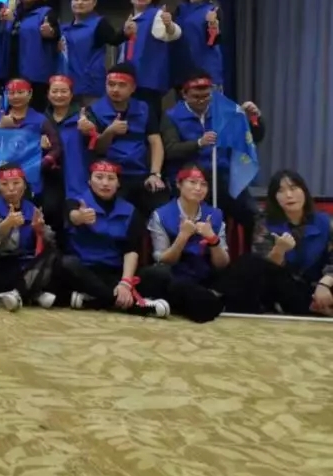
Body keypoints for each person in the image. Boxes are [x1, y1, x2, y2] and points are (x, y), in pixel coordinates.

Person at [56, 160, 170, 317]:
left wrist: (125, 282)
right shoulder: (76, 202)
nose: (105, 183)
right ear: (89, 181)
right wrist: (80, 217)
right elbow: (72, 215)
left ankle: (94, 300)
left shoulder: (130, 211)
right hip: (85, 270)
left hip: (115, 272)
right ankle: (133, 305)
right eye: (99, 177)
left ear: (118, 183)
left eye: (111, 178)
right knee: (66, 264)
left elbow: (131, 250)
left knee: (161, 273)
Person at [161, 71, 264, 244]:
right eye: (196, 97)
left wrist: (253, 119)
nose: (202, 101)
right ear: (184, 94)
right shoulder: (172, 116)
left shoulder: (223, 111)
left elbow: (251, 138)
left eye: (206, 96)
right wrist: (198, 143)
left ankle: (251, 255)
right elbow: (171, 150)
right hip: (190, 178)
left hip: (222, 176)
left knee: (252, 214)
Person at [219, 170, 333, 317]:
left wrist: (324, 284)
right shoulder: (265, 223)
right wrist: (279, 250)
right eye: (281, 191)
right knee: (248, 262)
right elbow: (263, 269)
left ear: (304, 191)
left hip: (318, 289)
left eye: (293, 188)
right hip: (282, 290)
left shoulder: (326, 222)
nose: (289, 195)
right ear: (274, 198)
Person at [138, 165, 228, 323]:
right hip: (174, 274)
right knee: (155, 274)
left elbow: (222, 264)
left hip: (203, 273)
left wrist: (213, 239)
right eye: (192, 182)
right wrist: (182, 236)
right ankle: (206, 300)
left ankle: (197, 300)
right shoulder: (161, 214)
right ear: (179, 184)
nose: (198, 188)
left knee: (244, 268)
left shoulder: (215, 214)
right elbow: (162, 259)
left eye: (203, 184)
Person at [88, 63, 169, 220]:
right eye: (111, 84)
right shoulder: (94, 111)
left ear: (133, 88)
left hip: (141, 174)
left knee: (161, 205)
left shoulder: (145, 108)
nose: (115, 89)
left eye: (121, 85)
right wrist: (110, 132)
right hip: (111, 175)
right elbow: (98, 149)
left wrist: (155, 174)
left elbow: (155, 142)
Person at [0, 163, 57, 311]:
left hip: (25, 263)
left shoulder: (33, 209)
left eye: (16, 183)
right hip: (1, 263)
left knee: (53, 254)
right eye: (5, 184)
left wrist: (40, 229)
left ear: (24, 185)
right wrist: (6, 225)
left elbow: (51, 239)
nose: (11, 189)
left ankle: (18, 293)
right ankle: (31, 293)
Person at [119, 0, 181, 123]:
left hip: (147, 84)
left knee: (149, 125)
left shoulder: (158, 15)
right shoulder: (131, 18)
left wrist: (169, 25)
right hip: (128, 81)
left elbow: (172, 33)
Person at [0, 78, 60, 199]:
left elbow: (56, 148)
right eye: (11, 93)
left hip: (31, 176)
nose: (16, 96)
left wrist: (41, 163)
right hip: (0, 175)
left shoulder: (40, 120)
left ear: (30, 94)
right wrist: (0, 128)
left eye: (20, 92)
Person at [1, 0, 59, 110]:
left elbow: (56, 34)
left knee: (35, 114)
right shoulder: (11, 14)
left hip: (36, 77)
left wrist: (51, 33)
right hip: (12, 74)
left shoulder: (46, 13)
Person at [43, 75, 92, 232]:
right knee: (50, 211)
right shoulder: (41, 120)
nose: (59, 95)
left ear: (71, 95)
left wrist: (89, 131)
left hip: (76, 176)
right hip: (49, 177)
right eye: (55, 91)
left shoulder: (84, 117)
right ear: (48, 94)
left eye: (64, 91)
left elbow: (97, 144)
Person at [60, 0, 123, 104]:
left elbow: (115, 40)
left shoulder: (99, 24)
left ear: (94, 3)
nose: (80, 2)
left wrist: (126, 32)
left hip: (91, 88)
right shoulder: (63, 29)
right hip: (66, 87)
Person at [172, 0, 224, 90]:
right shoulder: (180, 8)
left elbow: (214, 41)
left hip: (206, 71)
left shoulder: (213, 10)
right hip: (182, 71)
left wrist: (213, 25)